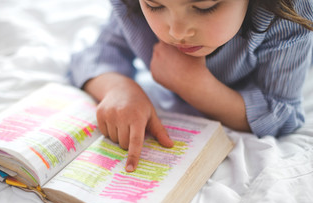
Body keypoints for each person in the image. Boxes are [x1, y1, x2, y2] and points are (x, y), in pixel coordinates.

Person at [69, 0, 313, 172]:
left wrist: (195, 87)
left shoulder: (289, 12)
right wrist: (117, 87)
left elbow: (283, 112)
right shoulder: (131, 4)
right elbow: (97, 51)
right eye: (155, 5)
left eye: (204, 7)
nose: (176, 32)